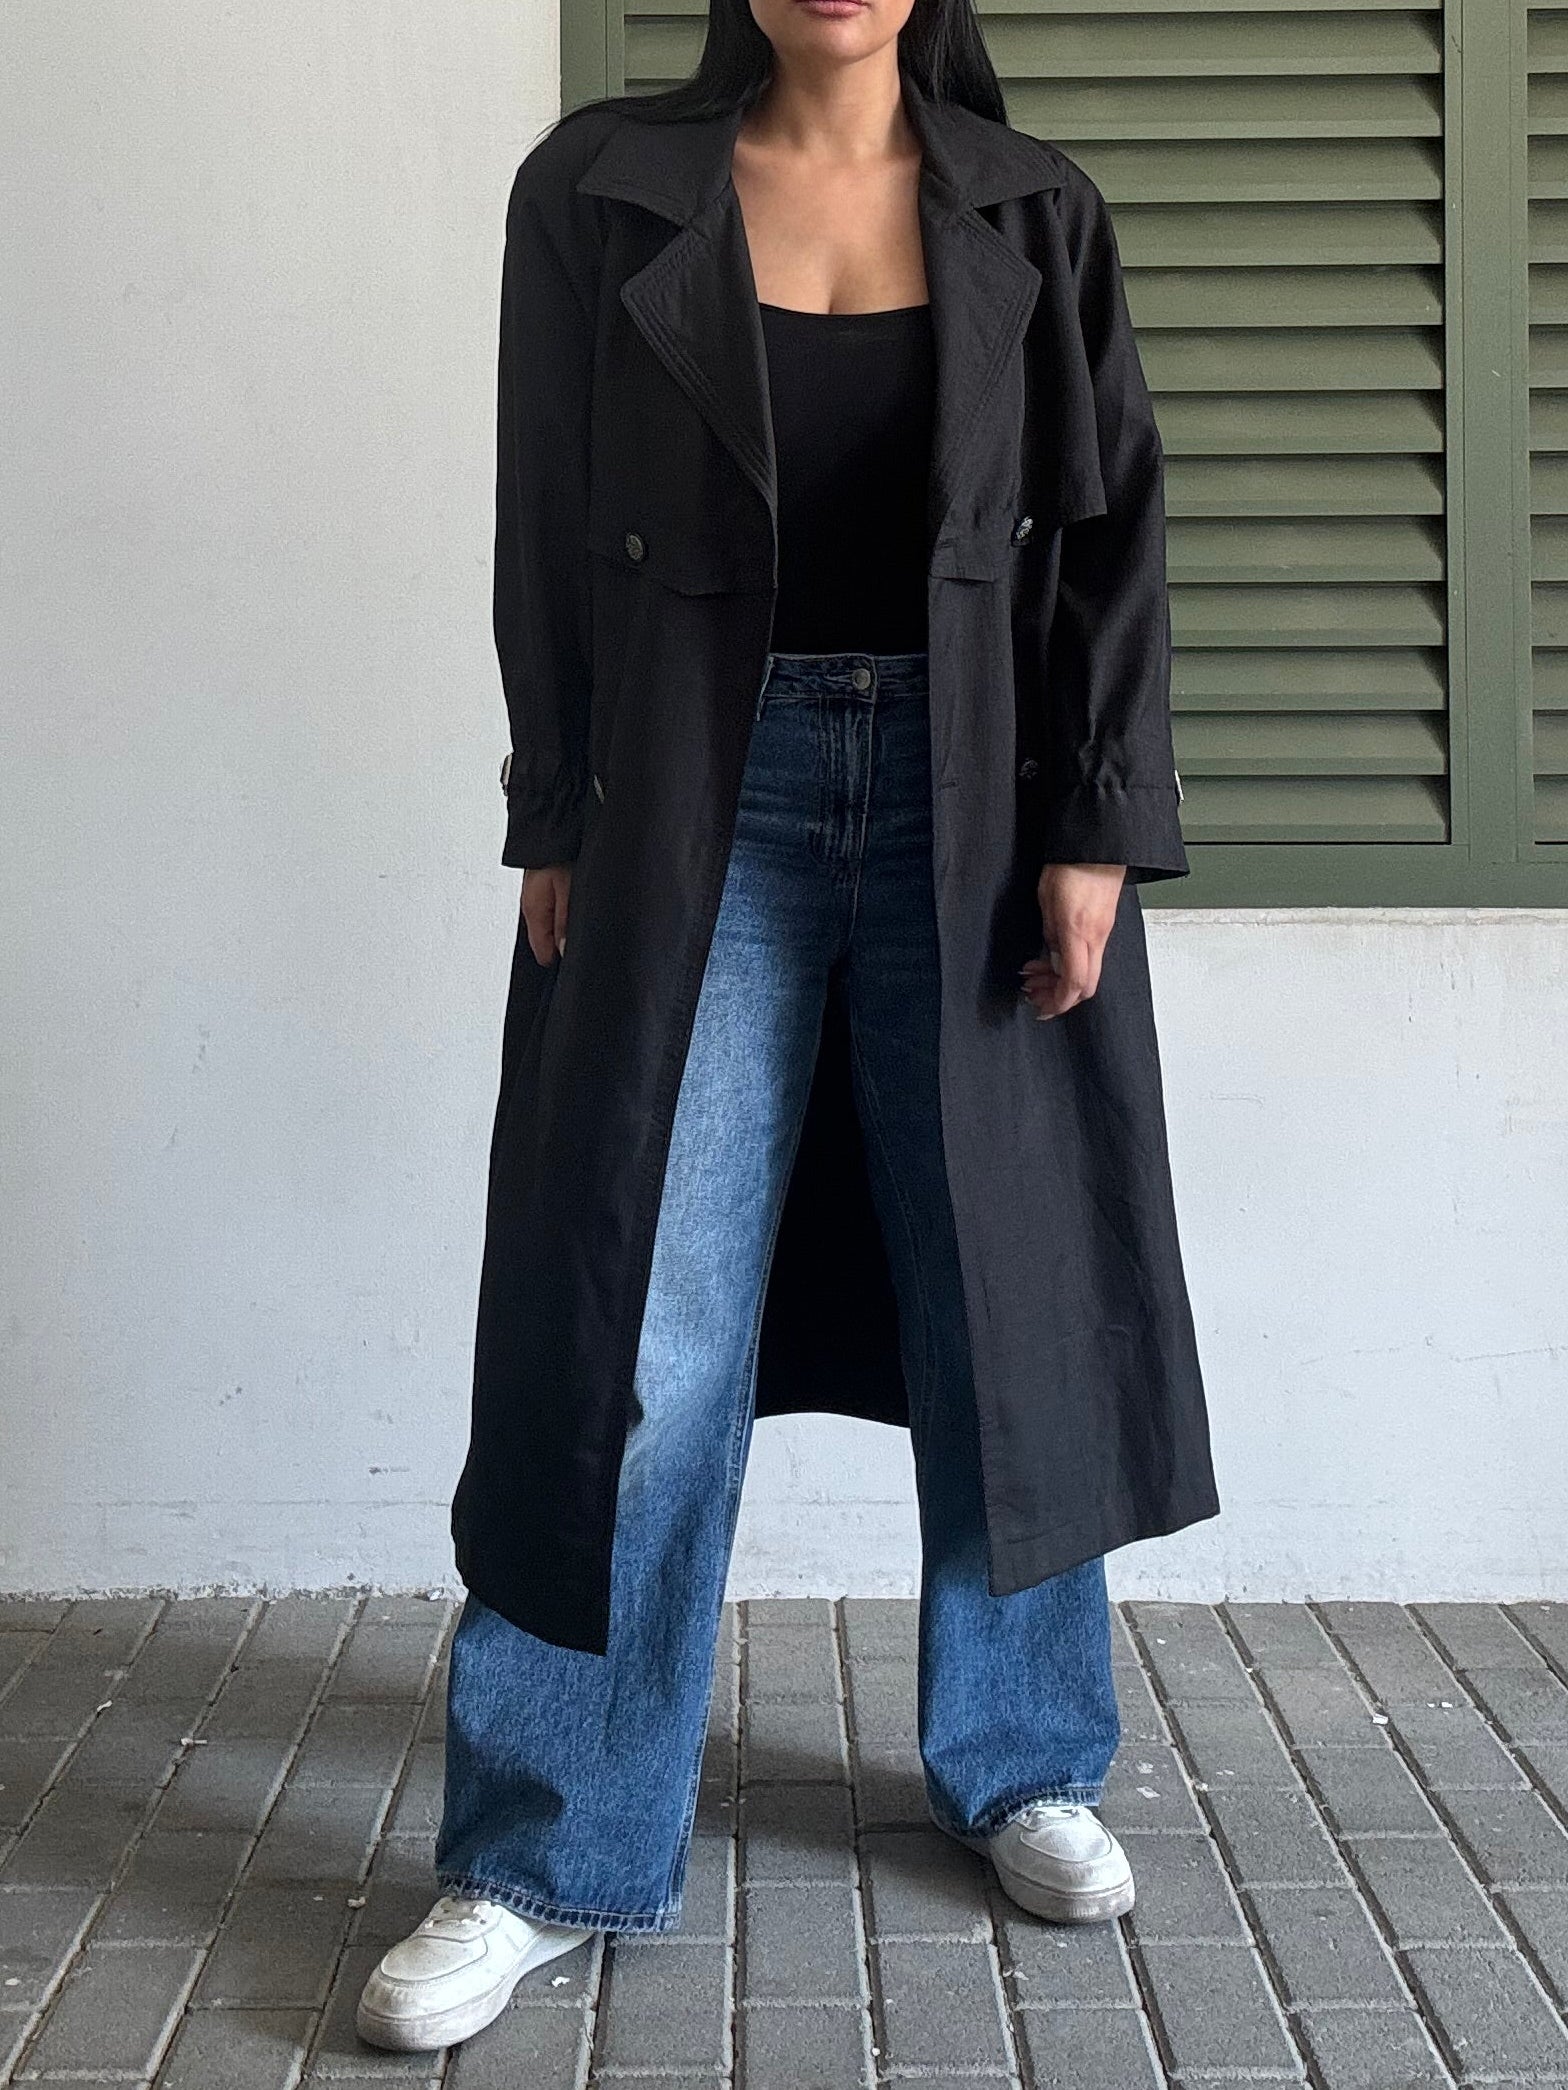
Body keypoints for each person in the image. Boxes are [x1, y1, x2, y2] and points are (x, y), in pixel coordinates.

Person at [358, 0, 1221, 2053]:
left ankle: (1023, 1758)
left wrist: (1095, 824)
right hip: (696, 794)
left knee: (1005, 1291)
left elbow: (1108, 522)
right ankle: (547, 1842)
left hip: (971, 791)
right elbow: (546, 515)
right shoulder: (599, 193)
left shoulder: (1034, 207)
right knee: (637, 1321)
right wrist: (558, 805)